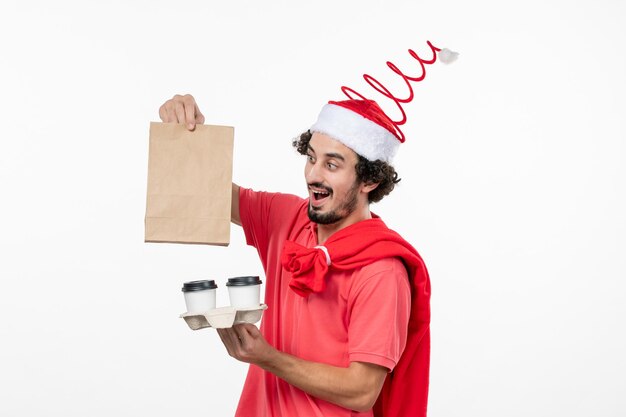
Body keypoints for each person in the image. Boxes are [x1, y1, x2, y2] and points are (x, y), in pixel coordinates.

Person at [159, 94, 431, 417]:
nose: (313, 175)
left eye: (332, 164)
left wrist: (267, 357)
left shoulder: (382, 272)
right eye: (311, 158)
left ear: (370, 180)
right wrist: (186, 136)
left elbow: (362, 391)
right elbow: (209, 194)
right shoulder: (287, 218)